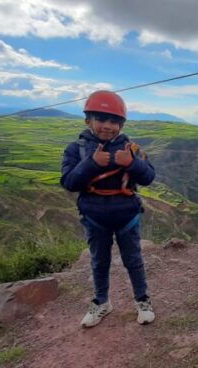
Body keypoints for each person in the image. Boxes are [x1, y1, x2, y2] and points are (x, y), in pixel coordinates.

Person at [60, 90, 156, 327]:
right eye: (101, 119)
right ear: (88, 120)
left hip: (127, 215)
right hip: (94, 216)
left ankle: (142, 300)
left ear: (121, 125)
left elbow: (149, 177)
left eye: (114, 121)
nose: (107, 126)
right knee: (99, 261)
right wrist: (92, 164)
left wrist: (132, 164)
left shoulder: (131, 149)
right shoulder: (77, 150)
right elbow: (69, 182)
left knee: (133, 259)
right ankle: (101, 302)